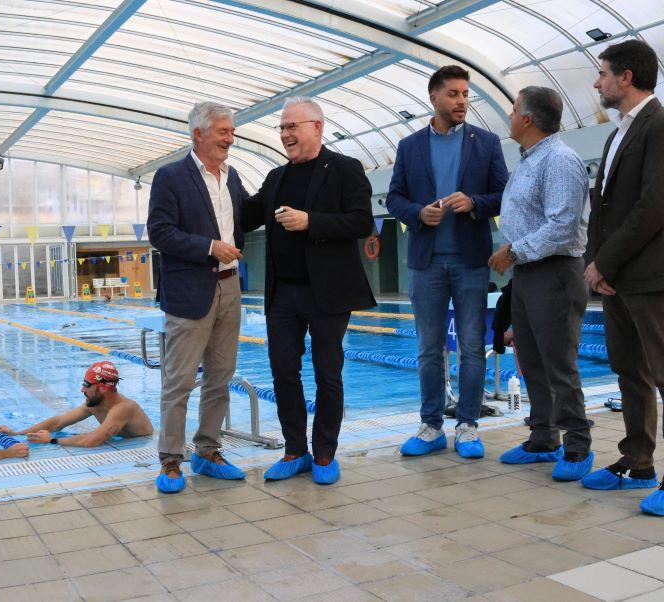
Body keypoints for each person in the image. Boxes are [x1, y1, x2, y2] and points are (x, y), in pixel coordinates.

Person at [242, 96, 375, 485]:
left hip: (327, 292)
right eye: (282, 128)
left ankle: (325, 453)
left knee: (327, 373)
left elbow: (361, 221)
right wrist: (220, 178)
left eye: (292, 127)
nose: (285, 134)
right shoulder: (276, 177)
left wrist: (310, 221)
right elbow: (246, 216)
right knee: (283, 371)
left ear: (317, 127)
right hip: (283, 293)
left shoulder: (345, 169)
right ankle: (295, 450)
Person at [386, 65, 508, 459]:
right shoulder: (410, 146)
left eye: (466, 94)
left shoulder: (486, 143)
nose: (462, 101)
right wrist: (419, 214)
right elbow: (394, 199)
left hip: (470, 262)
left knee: (471, 347)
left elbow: (504, 194)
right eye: (453, 94)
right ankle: (431, 426)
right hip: (426, 263)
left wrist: (474, 203)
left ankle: (468, 425)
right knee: (428, 348)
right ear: (434, 97)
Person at [489, 86, 593, 481]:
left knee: (559, 364)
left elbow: (562, 227)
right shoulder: (527, 160)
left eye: (514, 110)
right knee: (531, 360)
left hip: (555, 273)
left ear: (528, 119)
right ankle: (543, 438)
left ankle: (578, 446)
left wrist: (513, 252)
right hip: (528, 275)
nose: (510, 116)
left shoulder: (560, 160)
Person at [579, 40, 664, 515]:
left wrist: (604, 264)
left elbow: (653, 206)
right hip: (616, 278)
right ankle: (638, 462)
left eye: (603, 73)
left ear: (626, 77)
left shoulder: (659, 125)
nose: (597, 82)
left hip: (650, 276)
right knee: (630, 372)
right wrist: (595, 264)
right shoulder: (617, 135)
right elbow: (603, 210)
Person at [147, 102, 248, 493]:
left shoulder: (232, 177)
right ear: (198, 134)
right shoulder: (171, 176)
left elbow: (245, 218)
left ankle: (208, 451)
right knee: (179, 381)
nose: (230, 138)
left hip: (229, 286)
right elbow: (160, 232)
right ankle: (171, 460)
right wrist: (209, 247)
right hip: (190, 290)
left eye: (232, 131)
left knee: (220, 377)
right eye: (223, 131)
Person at [0, 361, 153, 446]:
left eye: (87, 384)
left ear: (103, 388)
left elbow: (93, 441)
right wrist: (16, 434)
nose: (82, 389)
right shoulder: (95, 404)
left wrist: (52, 440)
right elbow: (57, 422)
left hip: (146, 443)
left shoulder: (124, 408)